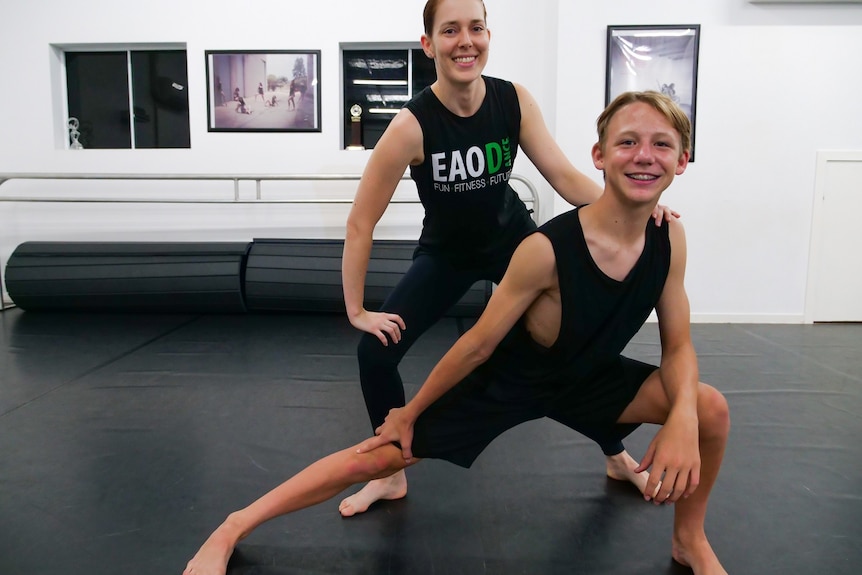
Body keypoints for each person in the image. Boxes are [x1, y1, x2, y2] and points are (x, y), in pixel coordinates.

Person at [183, 90, 730, 575]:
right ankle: (233, 526)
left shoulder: (670, 240)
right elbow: (478, 344)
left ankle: (689, 539)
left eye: (661, 145)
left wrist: (682, 415)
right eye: (628, 142)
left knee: (709, 409)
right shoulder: (544, 250)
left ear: (682, 161)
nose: (643, 156)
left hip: (589, 380)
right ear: (601, 155)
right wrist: (409, 412)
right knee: (377, 456)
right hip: (511, 380)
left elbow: (677, 345)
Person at [338, 0, 675, 517]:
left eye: (476, 28)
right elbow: (361, 222)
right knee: (374, 354)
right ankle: (387, 474)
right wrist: (357, 310)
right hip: (446, 255)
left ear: (488, 36)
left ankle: (614, 453)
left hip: (515, 243)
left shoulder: (513, 101)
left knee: (569, 350)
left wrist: (636, 204)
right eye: (450, 31)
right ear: (429, 45)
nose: (465, 41)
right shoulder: (410, 126)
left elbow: (564, 178)